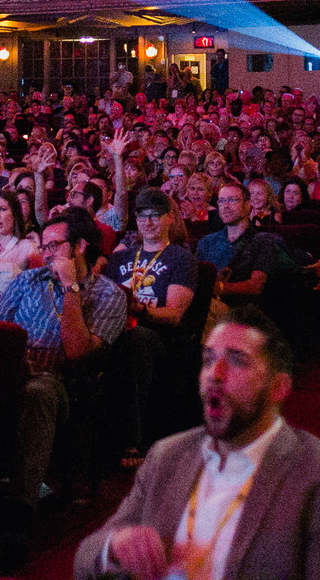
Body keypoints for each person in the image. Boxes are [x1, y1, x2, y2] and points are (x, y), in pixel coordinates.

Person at [76, 305, 320, 580]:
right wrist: (115, 546)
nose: (214, 376)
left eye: (236, 361)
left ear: (278, 388)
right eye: (208, 360)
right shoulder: (167, 455)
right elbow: (85, 558)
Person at [0, 207, 128, 511]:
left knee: (38, 392)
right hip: (12, 372)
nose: (46, 253)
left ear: (80, 246)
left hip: (66, 385)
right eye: (43, 247)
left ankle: (20, 507)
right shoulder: (27, 280)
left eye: (54, 246)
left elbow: (77, 351)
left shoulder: (109, 295)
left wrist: (70, 288)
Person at [106, 187, 199, 458]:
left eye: (155, 216)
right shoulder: (121, 257)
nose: (148, 222)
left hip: (157, 335)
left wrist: (139, 311)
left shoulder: (181, 259)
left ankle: (131, 438)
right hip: (116, 326)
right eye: (142, 216)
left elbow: (173, 314)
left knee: (135, 341)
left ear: (170, 218)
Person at [194, 183, 288, 306]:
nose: (225, 206)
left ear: (247, 205)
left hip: (241, 313)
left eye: (232, 200)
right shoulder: (207, 241)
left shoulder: (262, 240)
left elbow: (256, 286)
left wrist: (219, 288)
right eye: (221, 201)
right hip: (207, 306)